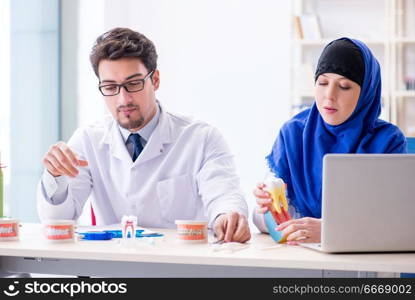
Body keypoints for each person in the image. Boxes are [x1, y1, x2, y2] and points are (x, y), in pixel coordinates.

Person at [37, 27, 250, 243]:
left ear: (155, 80)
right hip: (113, 268)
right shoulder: (87, 140)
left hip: (181, 267)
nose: (123, 99)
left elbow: (224, 192)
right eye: (110, 87)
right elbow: (57, 221)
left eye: (133, 84)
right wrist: (55, 176)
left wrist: (227, 215)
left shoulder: (201, 137)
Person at [253, 37, 407, 244]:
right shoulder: (293, 133)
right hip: (300, 256)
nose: (329, 95)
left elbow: (396, 222)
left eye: (344, 86)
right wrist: (265, 207)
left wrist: (331, 230)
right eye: (323, 83)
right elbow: (265, 222)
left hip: (363, 260)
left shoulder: (388, 141)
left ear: (366, 93)